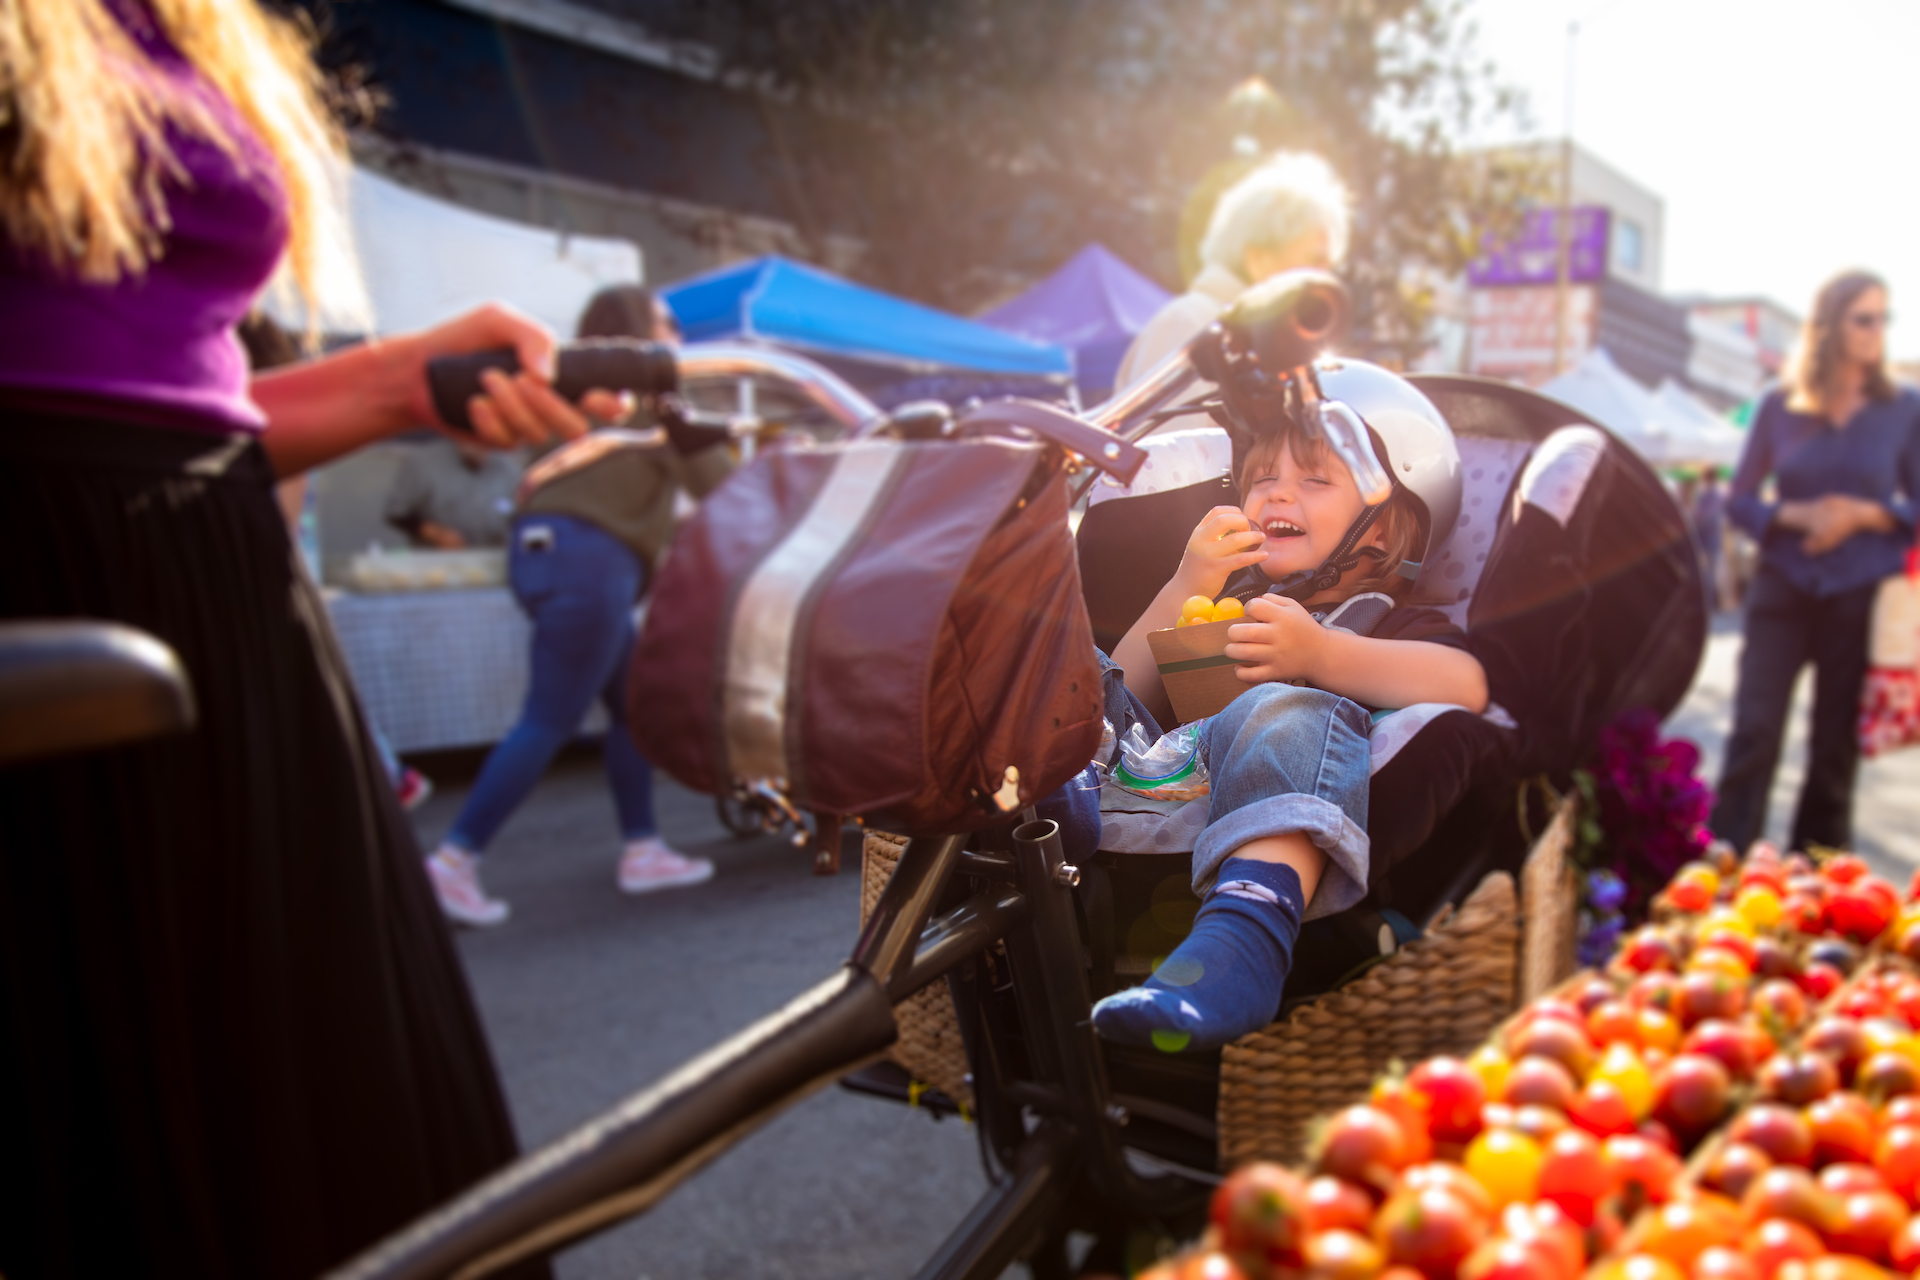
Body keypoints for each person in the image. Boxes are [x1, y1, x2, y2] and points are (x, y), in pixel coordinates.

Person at [0, 2, 624, 1275]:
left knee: (342, 1156)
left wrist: (395, 385)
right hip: (42, 609)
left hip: (223, 605)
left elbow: (170, 398)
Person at [1089, 363, 1485, 1051]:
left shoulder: (1384, 624)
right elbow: (1124, 687)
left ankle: (1241, 946)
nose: (1276, 491)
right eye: (1261, 475)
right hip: (1142, 794)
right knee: (1081, 668)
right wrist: (1189, 580)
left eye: (1314, 479)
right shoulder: (1228, 604)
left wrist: (1323, 658)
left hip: (1260, 815)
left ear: (1385, 533)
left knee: (1286, 710)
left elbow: (1466, 687)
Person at [425, 285, 731, 927]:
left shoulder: (567, 383)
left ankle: (642, 849)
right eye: (666, 322)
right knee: (548, 717)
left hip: (540, 554)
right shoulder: (653, 395)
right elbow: (717, 487)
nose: (676, 332)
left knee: (628, 708)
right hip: (593, 562)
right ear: (639, 332)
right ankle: (453, 860)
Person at [1710, 270, 1920, 855]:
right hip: (1783, 586)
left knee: (1833, 750)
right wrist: (1797, 517)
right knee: (1754, 732)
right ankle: (1724, 868)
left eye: (1885, 318)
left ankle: (1816, 884)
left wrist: (1862, 514)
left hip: (1859, 592)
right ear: (1830, 325)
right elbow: (1741, 498)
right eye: (1865, 318)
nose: (1878, 331)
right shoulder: (1779, 404)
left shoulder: (1905, 408)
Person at [1112, 152, 1349, 431]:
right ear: (1257, 258)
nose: (1325, 278)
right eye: (1314, 261)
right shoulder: (1188, 324)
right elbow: (1170, 465)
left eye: (1328, 265)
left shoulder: (1266, 345)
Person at [385, 435, 523, 549]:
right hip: (435, 565)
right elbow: (397, 514)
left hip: (492, 561)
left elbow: (521, 513)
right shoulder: (424, 463)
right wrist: (436, 534)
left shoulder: (508, 467)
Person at [1693, 468, 1726, 610]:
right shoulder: (1712, 495)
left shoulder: (1711, 495)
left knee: (1707, 572)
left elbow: (1703, 515)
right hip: (1709, 537)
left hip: (1708, 537)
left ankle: (1708, 602)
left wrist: (1694, 515)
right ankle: (1709, 601)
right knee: (1709, 571)